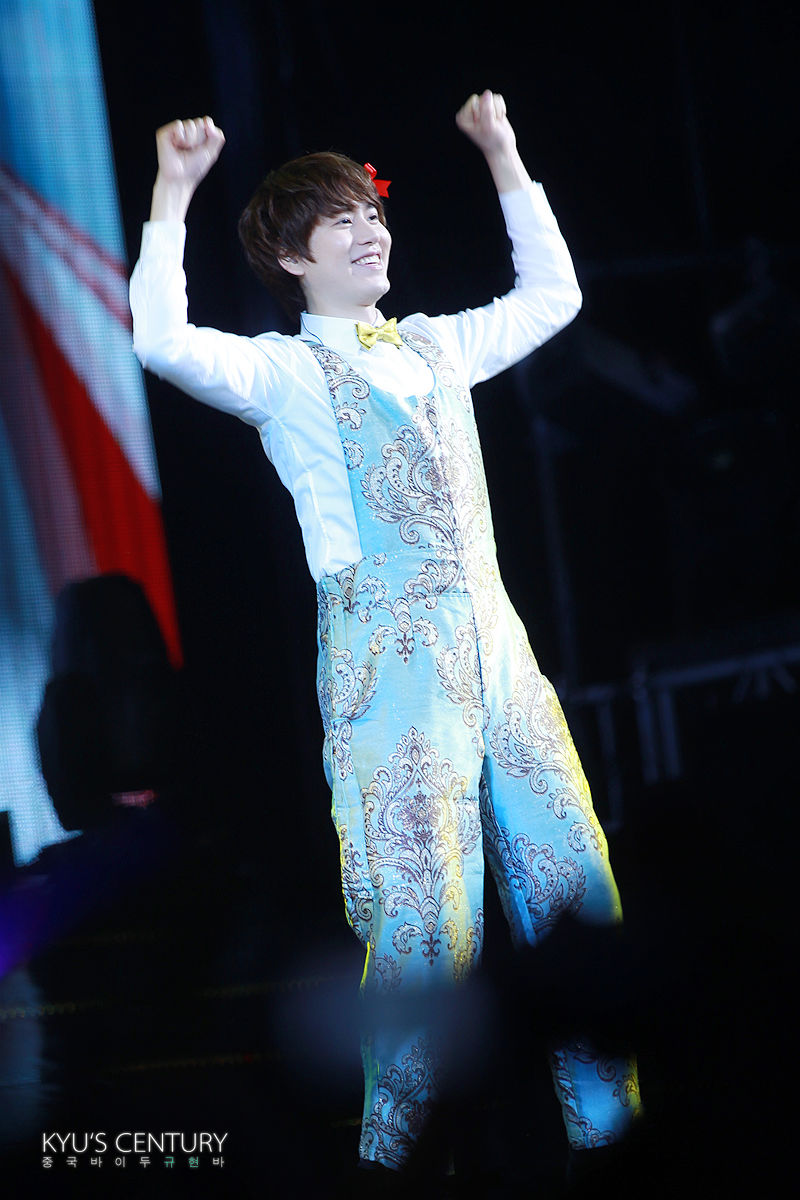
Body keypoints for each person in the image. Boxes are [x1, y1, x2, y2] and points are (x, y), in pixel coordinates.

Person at [129, 91, 641, 1179]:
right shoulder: (285, 375)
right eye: (340, 218)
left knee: (574, 887)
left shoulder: (436, 345)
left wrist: (504, 155)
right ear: (291, 255)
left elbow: (554, 294)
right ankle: (396, 1163)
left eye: (372, 211)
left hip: (498, 655)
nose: (369, 230)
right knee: (422, 935)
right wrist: (172, 194)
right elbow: (161, 341)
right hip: (391, 673)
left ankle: (616, 1147)